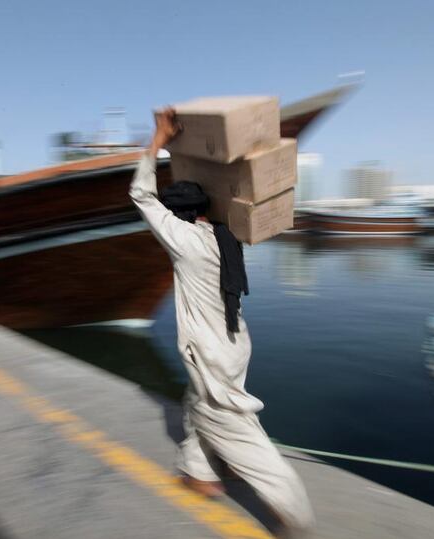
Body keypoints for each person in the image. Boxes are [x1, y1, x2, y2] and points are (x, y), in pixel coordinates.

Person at [129, 108, 315, 533]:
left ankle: (293, 510)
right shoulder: (224, 234)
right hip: (235, 343)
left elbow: (141, 195)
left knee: (232, 427)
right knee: (199, 403)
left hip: (210, 350)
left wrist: (158, 139)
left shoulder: (185, 242)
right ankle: (201, 471)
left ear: (179, 216)